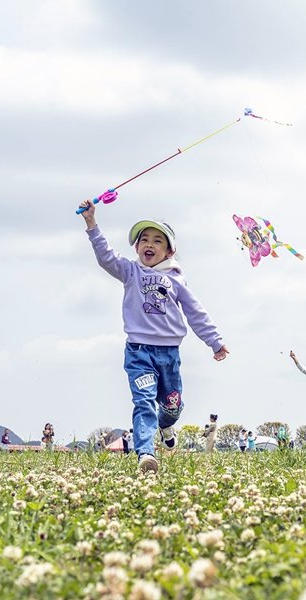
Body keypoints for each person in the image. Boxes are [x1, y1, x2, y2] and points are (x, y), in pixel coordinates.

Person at [79, 201, 229, 474]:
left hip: (169, 354)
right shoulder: (131, 272)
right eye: (143, 240)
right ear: (136, 248)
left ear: (169, 251)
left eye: (157, 240)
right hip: (139, 353)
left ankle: (166, 424)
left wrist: (215, 342)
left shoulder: (176, 280)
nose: (149, 244)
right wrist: (92, 224)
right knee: (144, 401)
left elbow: (196, 312)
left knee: (172, 406)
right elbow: (106, 257)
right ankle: (145, 454)